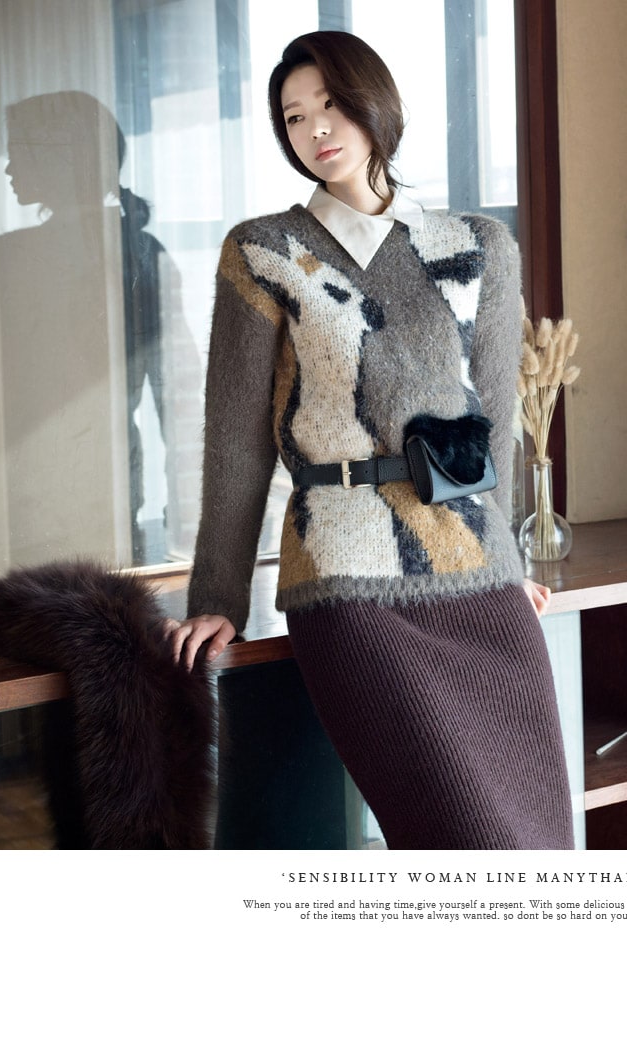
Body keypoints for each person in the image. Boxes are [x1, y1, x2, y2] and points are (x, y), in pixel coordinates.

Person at [167, 30, 574, 850]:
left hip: (475, 573)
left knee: (535, 840)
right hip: (345, 576)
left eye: (331, 104)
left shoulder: (480, 247)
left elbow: (489, 425)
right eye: (293, 117)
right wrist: (217, 598)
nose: (315, 129)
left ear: (376, 103)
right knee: (460, 834)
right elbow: (237, 444)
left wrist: (507, 562)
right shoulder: (265, 251)